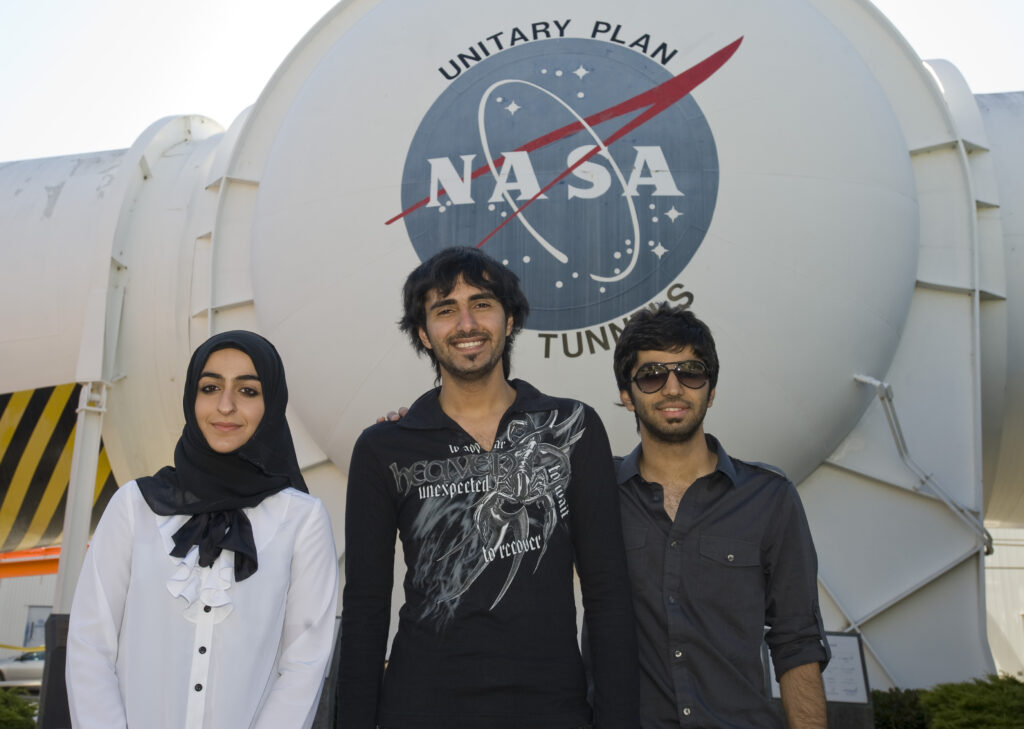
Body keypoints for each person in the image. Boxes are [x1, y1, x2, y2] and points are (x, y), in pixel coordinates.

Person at [338, 247, 639, 729]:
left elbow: (607, 592)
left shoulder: (572, 427)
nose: (466, 324)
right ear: (423, 333)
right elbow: (366, 607)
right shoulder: (385, 447)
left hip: (551, 707)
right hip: (421, 707)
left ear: (511, 318)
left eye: (481, 304)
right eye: (444, 310)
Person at [66, 330, 338, 729]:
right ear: (191, 399)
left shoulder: (302, 519)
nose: (225, 406)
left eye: (247, 391)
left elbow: (304, 662)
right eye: (210, 388)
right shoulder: (134, 506)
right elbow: (91, 644)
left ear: (273, 403)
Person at [611, 303, 829, 729]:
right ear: (627, 395)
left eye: (690, 372)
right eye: (652, 375)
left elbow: (797, 641)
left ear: (710, 391)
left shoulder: (770, 498)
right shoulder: (595, 494)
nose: (672, 388)